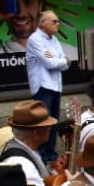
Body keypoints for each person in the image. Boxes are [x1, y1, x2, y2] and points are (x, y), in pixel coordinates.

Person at [26, 11, 70, 161]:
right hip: (43, 86)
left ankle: (51, 155)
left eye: (58, 21)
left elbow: (64, 63)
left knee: (54, 122)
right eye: (54, 21)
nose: (58, 24)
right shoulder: (35, 39)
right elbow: (50, 63)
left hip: (56, 85)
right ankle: (42, 157)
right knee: (43, 124)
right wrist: (62, 61)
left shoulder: (55, 40)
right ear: (43, 23)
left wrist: (61, 61)